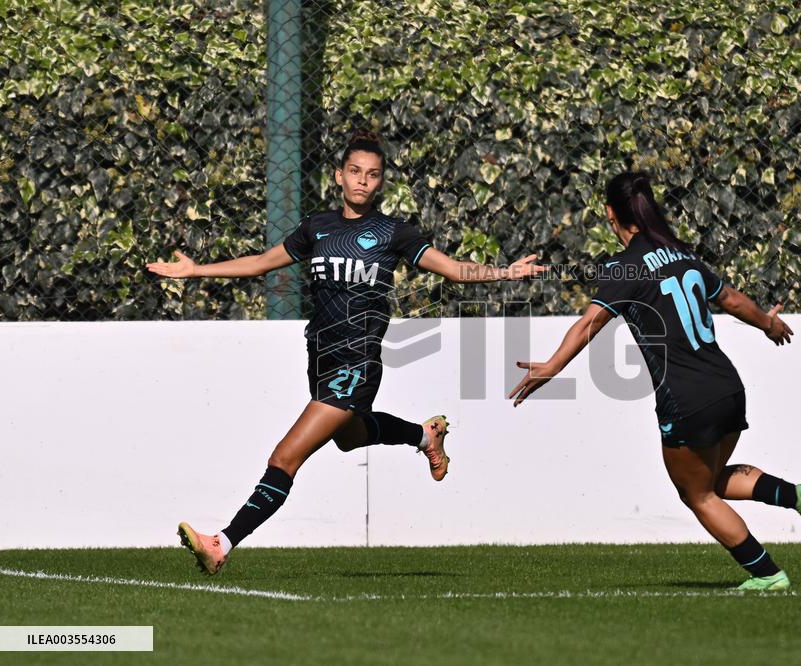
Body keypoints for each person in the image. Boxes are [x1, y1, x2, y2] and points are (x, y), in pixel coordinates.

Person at [147, 130, 547, 575]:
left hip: (358, 360)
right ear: (339, 176)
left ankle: (221, 543)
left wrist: (505, 272)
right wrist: (196, 270)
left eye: (372, 175)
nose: (362, 181)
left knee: (284, 457)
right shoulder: (317, 227)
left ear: (380, 183)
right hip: (320, 356)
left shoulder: (392, 232)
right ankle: (424, 435)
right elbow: (260, 263)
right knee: (349, 437)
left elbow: (452, 269)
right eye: (355, 171)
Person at [508, 171, 801, 591]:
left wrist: (553, 366)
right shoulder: (681, 254)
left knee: (697, 495)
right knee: (710, 481)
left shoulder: (626, 267)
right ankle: (797, 495)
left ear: (610, 213)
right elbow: (731, 299)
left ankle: (768, 574)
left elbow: (590, 322)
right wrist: (768, 325)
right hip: (728, 386)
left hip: (686, 399)